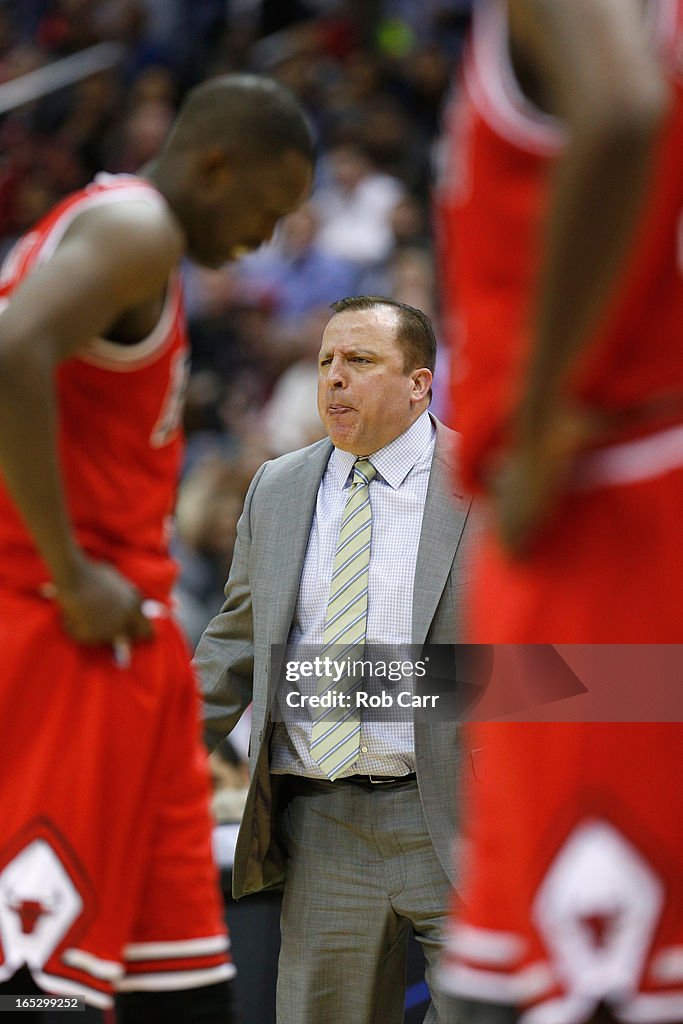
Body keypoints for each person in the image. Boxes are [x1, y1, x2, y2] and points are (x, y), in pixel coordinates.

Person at [0, 73, 313, 1022]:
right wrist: (68, 568)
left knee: (180, 993)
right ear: (214, 164)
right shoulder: (138, 230)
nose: (261, 241)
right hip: (66, 634)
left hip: (132, 659)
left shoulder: (124, 241)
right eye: (264, 211)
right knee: (37, 987)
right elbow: (11, 354)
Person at [434, 0, 683, 1021]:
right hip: (591, 512)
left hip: (599, 505)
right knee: (499, 976)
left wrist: (537, 418)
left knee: (599, 985)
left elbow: (624, 111)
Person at [194, 295, 476, 1024]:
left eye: (357, 361)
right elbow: (234, 640)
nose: (332, 380)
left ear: (419, 383)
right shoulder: (278, 487)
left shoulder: (484, 485)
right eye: (323, 362)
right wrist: (156, 754)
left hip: (456, 814)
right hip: (322, 825)